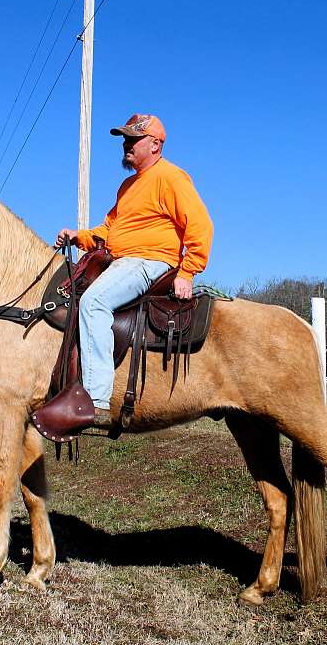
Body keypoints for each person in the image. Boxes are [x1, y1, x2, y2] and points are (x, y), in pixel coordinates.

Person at [55, 113, 213, 425]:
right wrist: (81, 236)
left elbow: (200, 225)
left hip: (149, 260)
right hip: (122, 259)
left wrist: (188, 271)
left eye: (133, 139)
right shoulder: (128, 185)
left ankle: (96, 399)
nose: (126, 145)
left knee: (94, 302)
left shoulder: (172, 177)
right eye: (124, 139)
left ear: (155, 145)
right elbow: (111, 227)